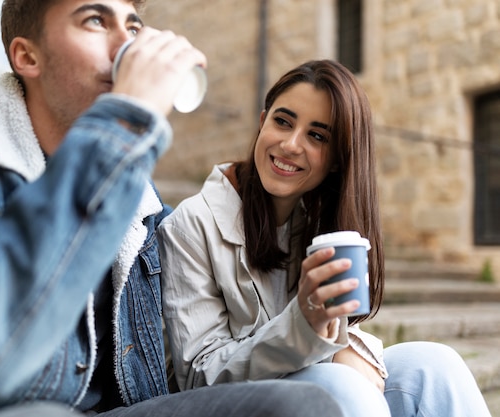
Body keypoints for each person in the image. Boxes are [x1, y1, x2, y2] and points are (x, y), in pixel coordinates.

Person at [0, 1, 350, 417]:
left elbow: (209, 345)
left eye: (135, 26)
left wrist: (332, 337)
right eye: (96, 20)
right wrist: (125, 123)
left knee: (310, 404)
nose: (128, 46)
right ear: (27, 56)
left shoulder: (140, 205)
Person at [158, 59, 492, 417]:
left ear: (336, 160)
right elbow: (197, 375)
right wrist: (309, 329)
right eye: (282, 121)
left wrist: (345, 344)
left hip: (301, 385)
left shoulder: (315, 223)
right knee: (342, 386)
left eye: (317, 136)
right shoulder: (191, 225)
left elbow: (328, 339)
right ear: (262, 122)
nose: (290, 144)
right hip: (229, 406)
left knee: (433, 364)